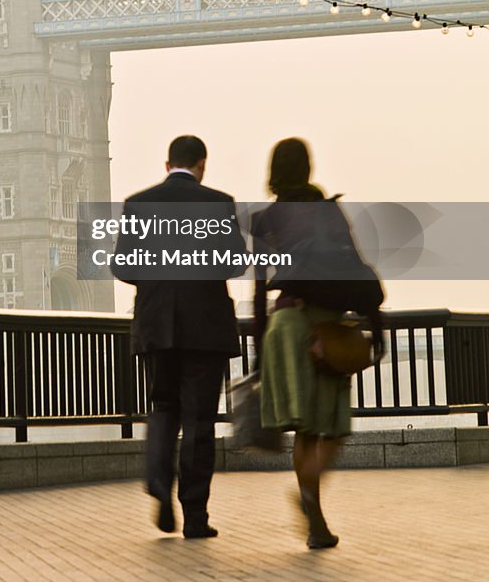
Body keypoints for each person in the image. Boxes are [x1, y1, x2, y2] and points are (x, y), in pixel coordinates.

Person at [251, 138, 384, 551]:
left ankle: (316, 520)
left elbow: (259, 290)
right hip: (325, 329)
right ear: (308, 169)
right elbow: (355, 268)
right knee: (333, 428)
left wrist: (259, 352)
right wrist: (376, 326)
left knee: (305, 431)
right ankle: (311, 503)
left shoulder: (265, 220)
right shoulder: (328, 211)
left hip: (284, 327)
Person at [113, 135, 247, 539]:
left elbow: (123, 265)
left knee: (163, 406)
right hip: (206, 327)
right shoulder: (219, 202)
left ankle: (158, 480)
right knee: (199, 420)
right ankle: (195, 516)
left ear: (167, 164)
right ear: (202, 164)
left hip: (158, 324)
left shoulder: (139, 203)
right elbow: (236, 263)